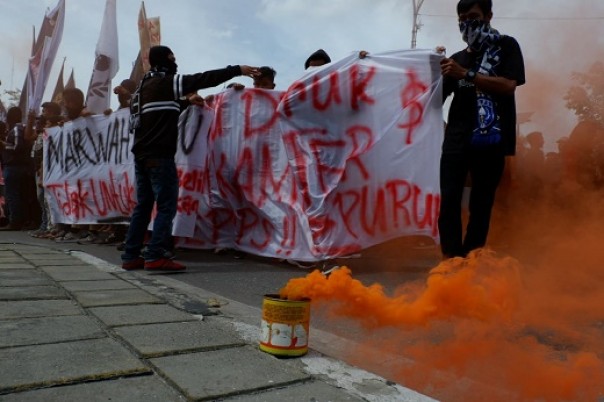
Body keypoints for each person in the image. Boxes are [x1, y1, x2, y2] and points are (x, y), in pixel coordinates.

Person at [121, 45, 259, 271]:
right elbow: (203, 79)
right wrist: (237, 69)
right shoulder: (165, 81)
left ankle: (130, 255)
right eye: (172, 58)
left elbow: (160, 108)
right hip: (159, 155)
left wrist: (186, 102)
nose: (175, 62)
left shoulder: (142, 89)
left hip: (141, 156)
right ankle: (156, 255)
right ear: (165, 60)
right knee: (166, 206)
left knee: (143, 206)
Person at [437, 0, 525, 258]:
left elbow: (508, 86)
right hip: (456, 140)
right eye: (462, 18)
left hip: (491, 142)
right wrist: (429, 68)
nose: (467, 22)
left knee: (481, 204)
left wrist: (466, 74)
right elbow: (435, 98)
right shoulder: (456, 59)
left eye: (473, 16)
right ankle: (451, 262)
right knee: (449, 202)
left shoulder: (507, 46)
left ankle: (472, 258)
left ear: (488, 15)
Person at [0, 107, 35, 231]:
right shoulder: (21, 128)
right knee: (19, 195)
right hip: (19, 167)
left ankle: (14, 222)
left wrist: (3, 145)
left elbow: (17, 147)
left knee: (12, 195)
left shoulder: (16, 129)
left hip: (14, 166)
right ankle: (21, 220)